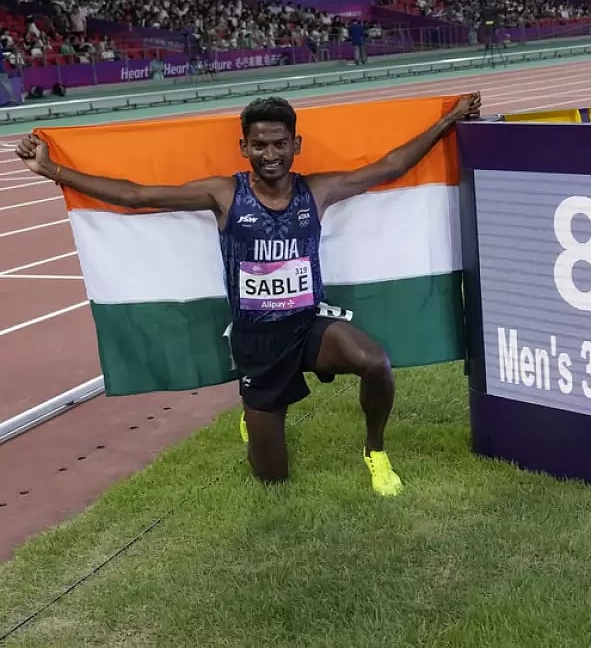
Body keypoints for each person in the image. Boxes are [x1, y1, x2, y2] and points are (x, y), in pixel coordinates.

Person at [15, 92, 483, 497]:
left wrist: (448, 120)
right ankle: (252, 408)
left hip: (308, 328)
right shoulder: (225, 195)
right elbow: (137, 196)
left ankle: (375, 450)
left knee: (374, 362)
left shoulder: (316, 191)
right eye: (259, 144)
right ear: (244, 147)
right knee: (272, 480)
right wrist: (51, 168)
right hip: (257, 344)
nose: (271, 153)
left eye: (280, 143)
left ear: (296, 145)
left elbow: (390, 166)